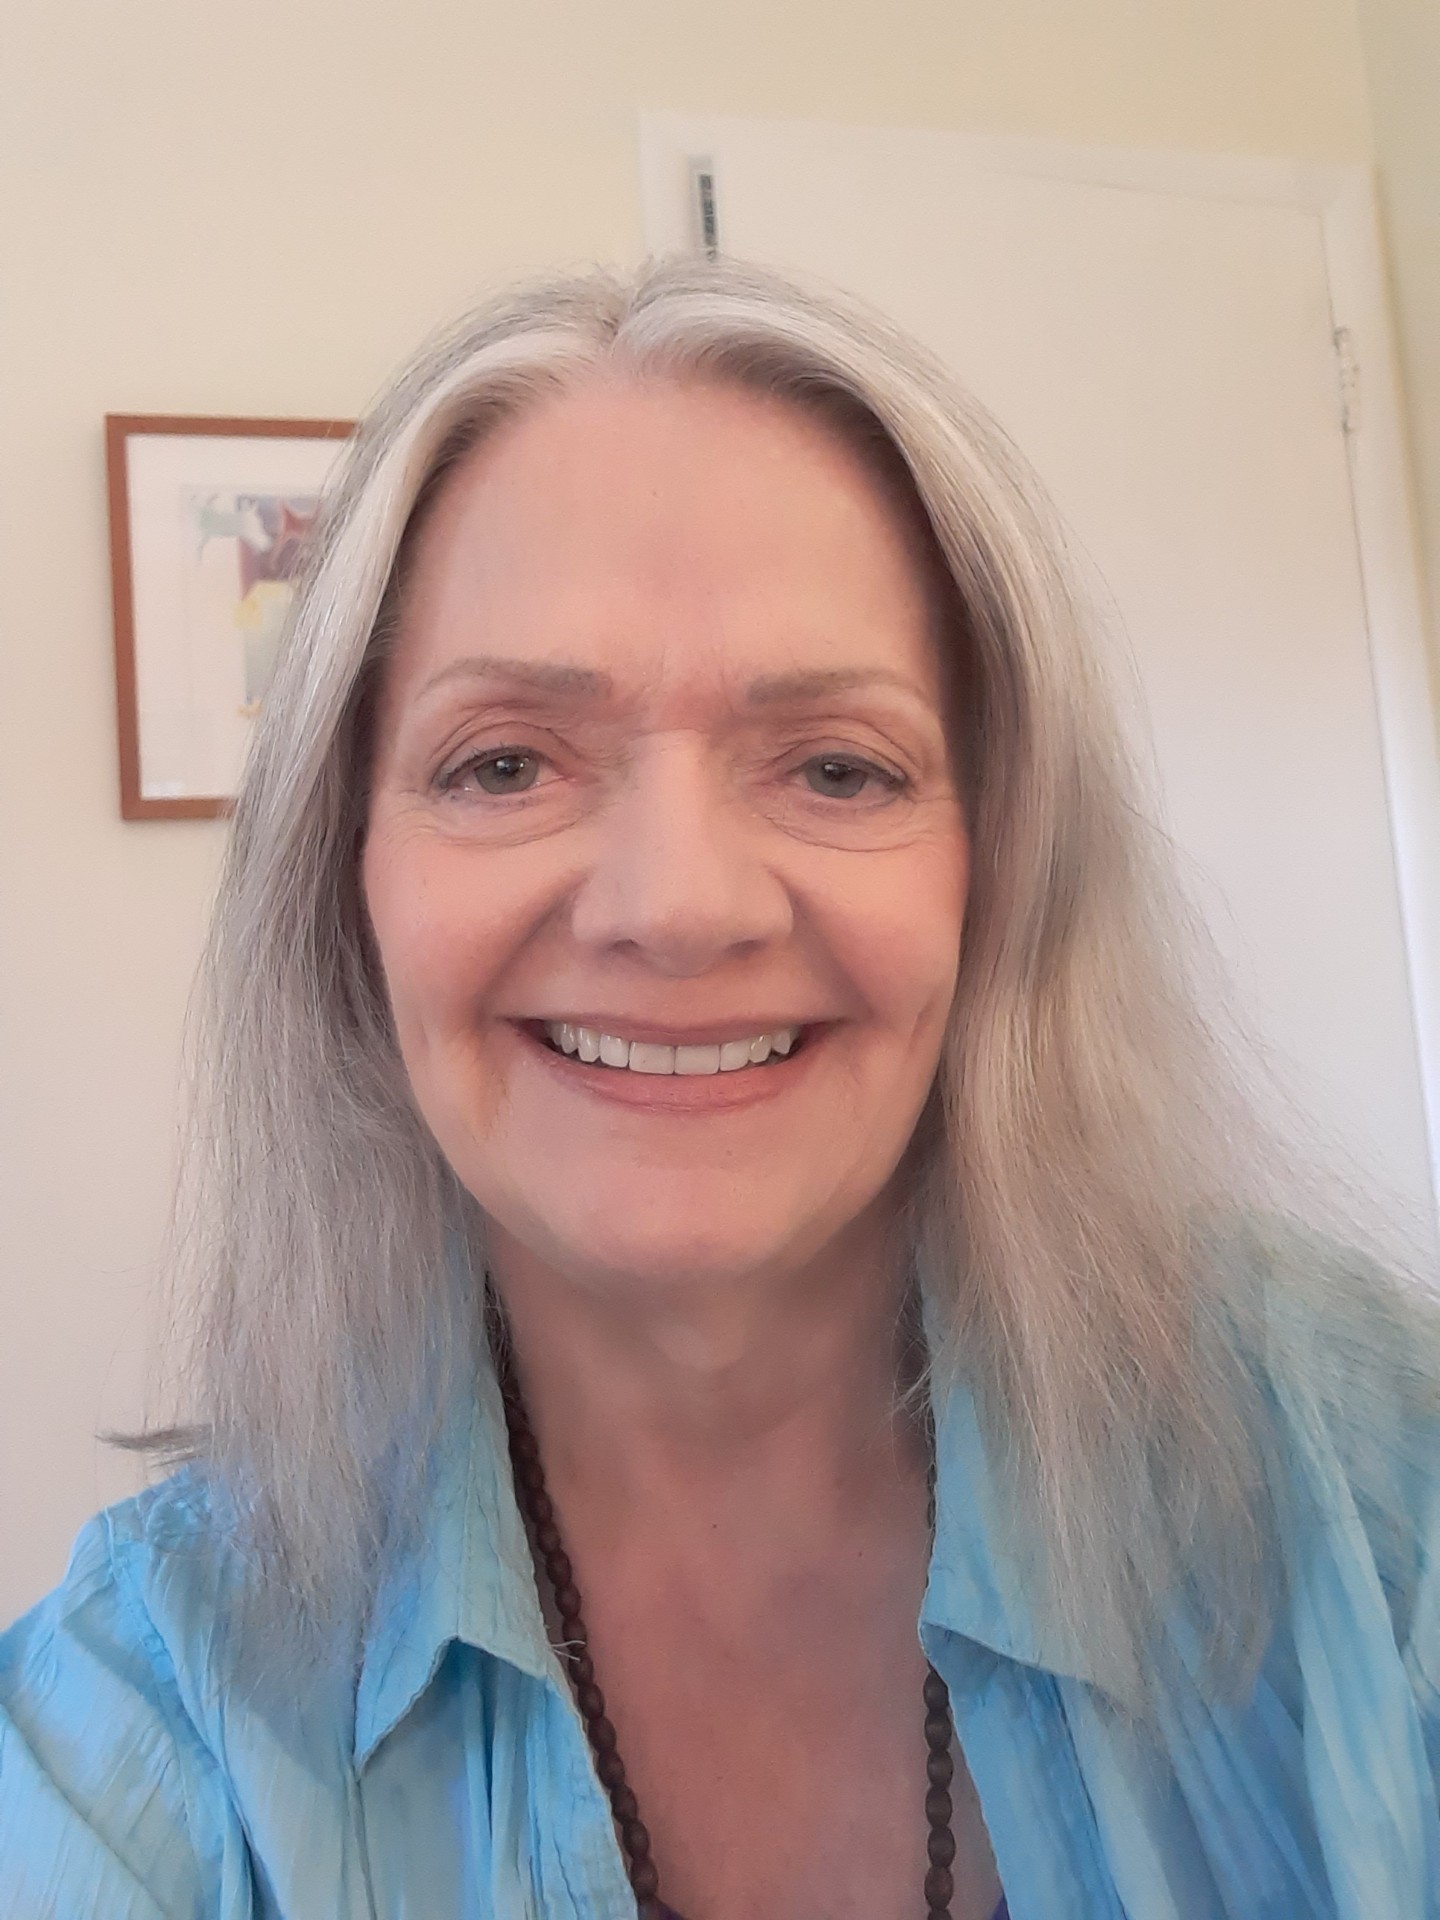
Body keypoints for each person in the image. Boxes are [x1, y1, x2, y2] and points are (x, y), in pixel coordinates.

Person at [2, 256, 1439, 1920]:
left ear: (997, 873)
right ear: (350, 883)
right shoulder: (147, 1713)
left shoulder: (1374, 1487)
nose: (677, 906)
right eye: (504, 763)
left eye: (840, 767)